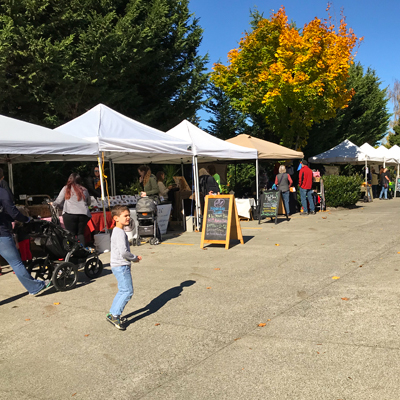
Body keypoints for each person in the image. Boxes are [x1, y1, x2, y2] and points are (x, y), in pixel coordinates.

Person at [0, 186, 51, 294]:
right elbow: (13, 212)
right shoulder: (2, 192)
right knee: (16, 263)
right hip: (1, 233)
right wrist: (26, 219)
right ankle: (35, 287)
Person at [106, 205, 142, 330]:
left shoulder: (118, 231)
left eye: (128, 215)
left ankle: (112, 313)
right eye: (125, 216)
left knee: (123, 290)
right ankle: (115, 315)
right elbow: (124, 252)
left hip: (119, 265)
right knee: (127, 291)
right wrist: (134, 258)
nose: (128, 218)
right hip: (121, 265)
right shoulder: (119, 233)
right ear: (116, 218)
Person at [53, 173, 91, 245]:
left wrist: (53, 204)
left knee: (71, 234)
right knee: (80, 233)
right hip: (83, 214)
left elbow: (58, 201)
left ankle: (72, 251)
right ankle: (82, 250)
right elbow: (88, 202)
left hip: (69, 213)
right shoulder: (84, 189)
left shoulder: (66, 188)